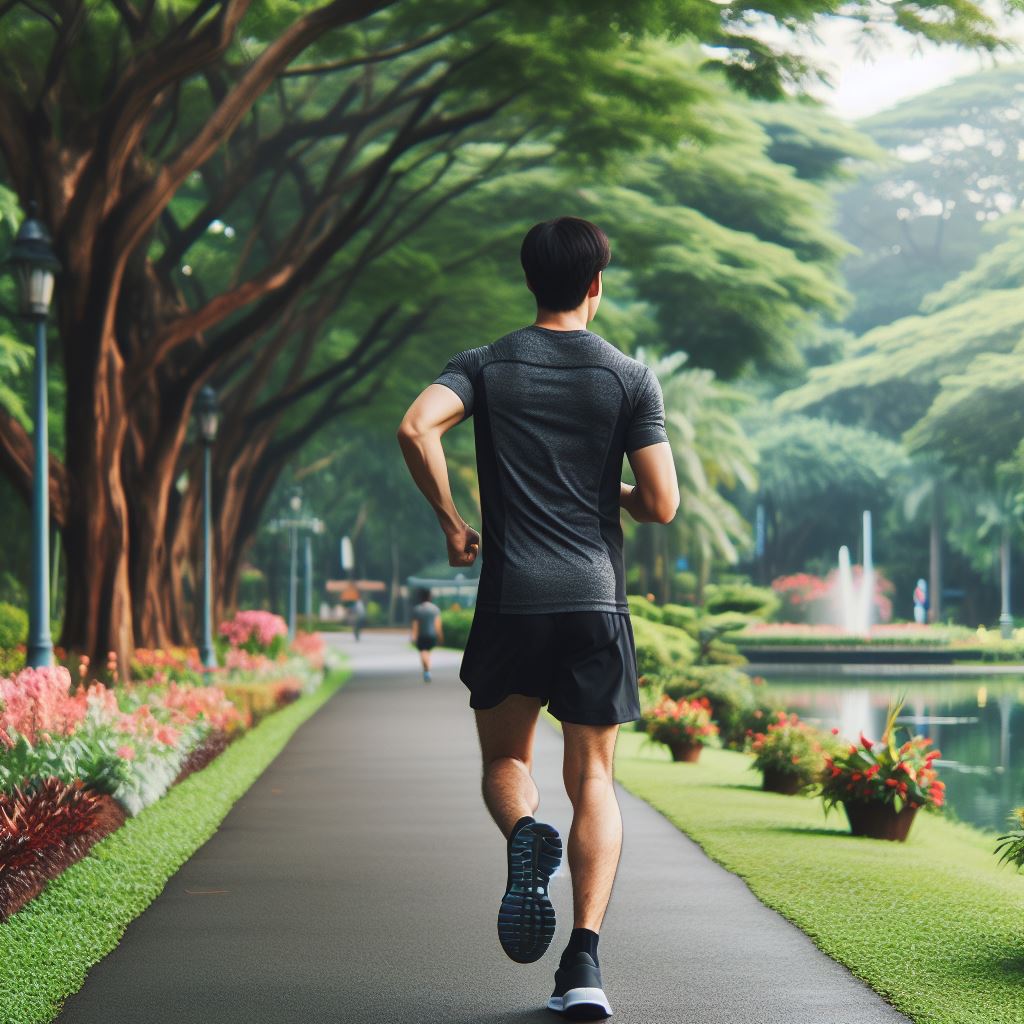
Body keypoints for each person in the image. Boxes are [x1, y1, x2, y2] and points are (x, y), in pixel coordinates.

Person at [396, 216, 678, 1020]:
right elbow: (661, 503)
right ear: (596, 285)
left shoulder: (484, 364)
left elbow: (416, 427)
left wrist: (454, 525)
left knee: (504, 764)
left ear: (530, 280)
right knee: (593, 776)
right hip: (594, 601)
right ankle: (583, 966)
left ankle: (525, 834)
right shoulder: (630, 377)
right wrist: (607, 489)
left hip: (512, 600)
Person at [411, 588, 444, 682]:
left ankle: (427, 670)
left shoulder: (417, 609)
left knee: (423, 652)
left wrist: (413, 636)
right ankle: (427, 670)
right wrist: (440, 636)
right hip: (432, 635)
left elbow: (415, 625)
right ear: (430, 597)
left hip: (421, 636)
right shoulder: (435, 609)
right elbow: (437, 625)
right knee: (427, 652)